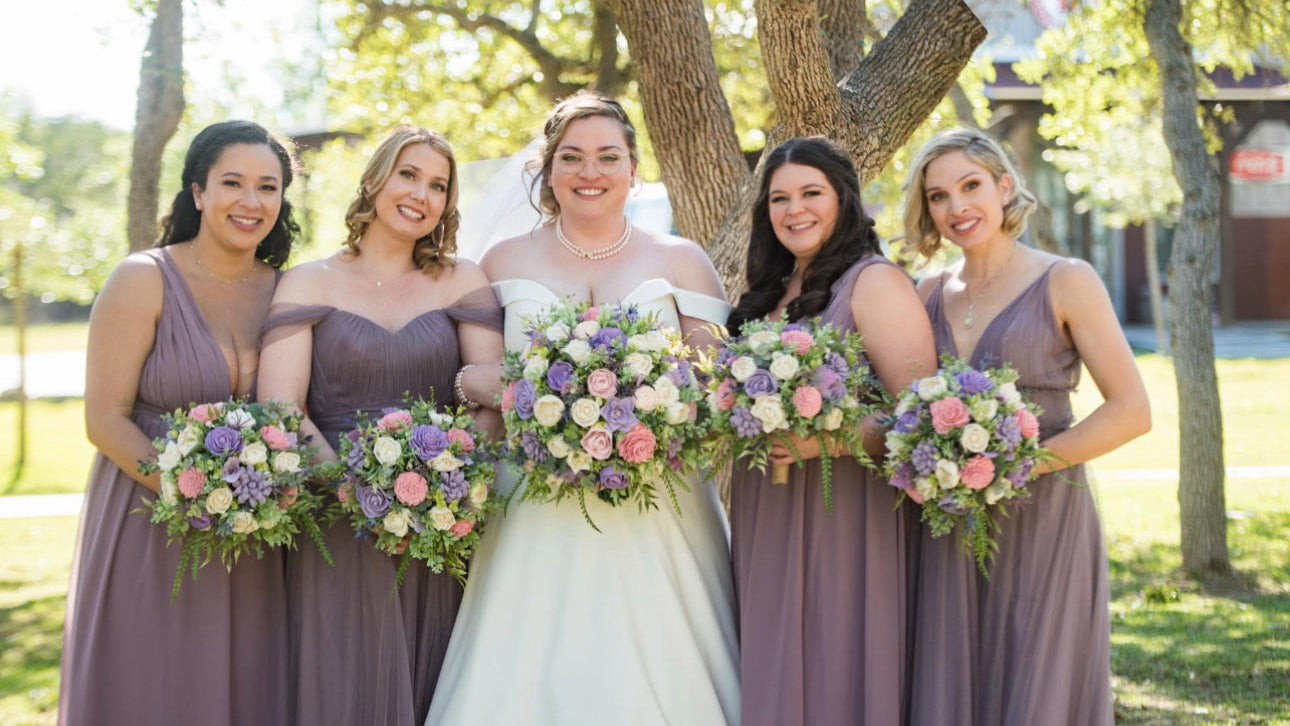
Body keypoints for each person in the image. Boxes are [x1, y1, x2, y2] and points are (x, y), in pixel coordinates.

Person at [426, 91, 740, 725]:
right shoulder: (502, 260)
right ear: (548, 170)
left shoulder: (683, 260)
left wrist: (644, 408)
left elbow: (714, 388)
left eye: (607, 156)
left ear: (632, 167)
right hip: (533, 498)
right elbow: (476, 380)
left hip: (661, 497)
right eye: (571, 157)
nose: (589, 173)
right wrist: (545, 394)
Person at [901, 127, 1151, 725]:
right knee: (956, 675)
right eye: (939, 196)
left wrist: (1016, 467)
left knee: (1037, 675)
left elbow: (1131, 410)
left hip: (1045, 512)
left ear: (1004, 186)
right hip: (949, 519)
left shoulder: (1066, 279)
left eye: (971, 186)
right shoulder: (926, 292)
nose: (958, 207)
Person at [256, 125, 503, 726]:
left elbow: (492, 392)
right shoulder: (309, 281)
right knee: (344, 678)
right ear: (373, 180)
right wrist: (358, 490)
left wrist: (448, 479)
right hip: (336, 517)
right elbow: (283, 410)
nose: (422, 193)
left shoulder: (462, 279)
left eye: (438, 185)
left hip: (439, 515)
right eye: (408, 174)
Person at [58, 120, 300, 726]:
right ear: (197, 191)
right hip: (150, 523)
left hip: (254, 534)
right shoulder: (143, 278)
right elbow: (103, 419)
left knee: (250, 689)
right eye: (233, 183)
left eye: (267, 187)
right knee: (153, 686)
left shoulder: (289, 291)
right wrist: (193, 495)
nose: (251, 202)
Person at [724, 136, 937, 726]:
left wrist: (825, 439)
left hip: (845, 514)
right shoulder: (771, 292)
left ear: (843, 198)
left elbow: (920, 423)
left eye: (811, 193)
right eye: (779, 198)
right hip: (766, 508)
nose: (795, 210)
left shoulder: (875, 283)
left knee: (834, 668)